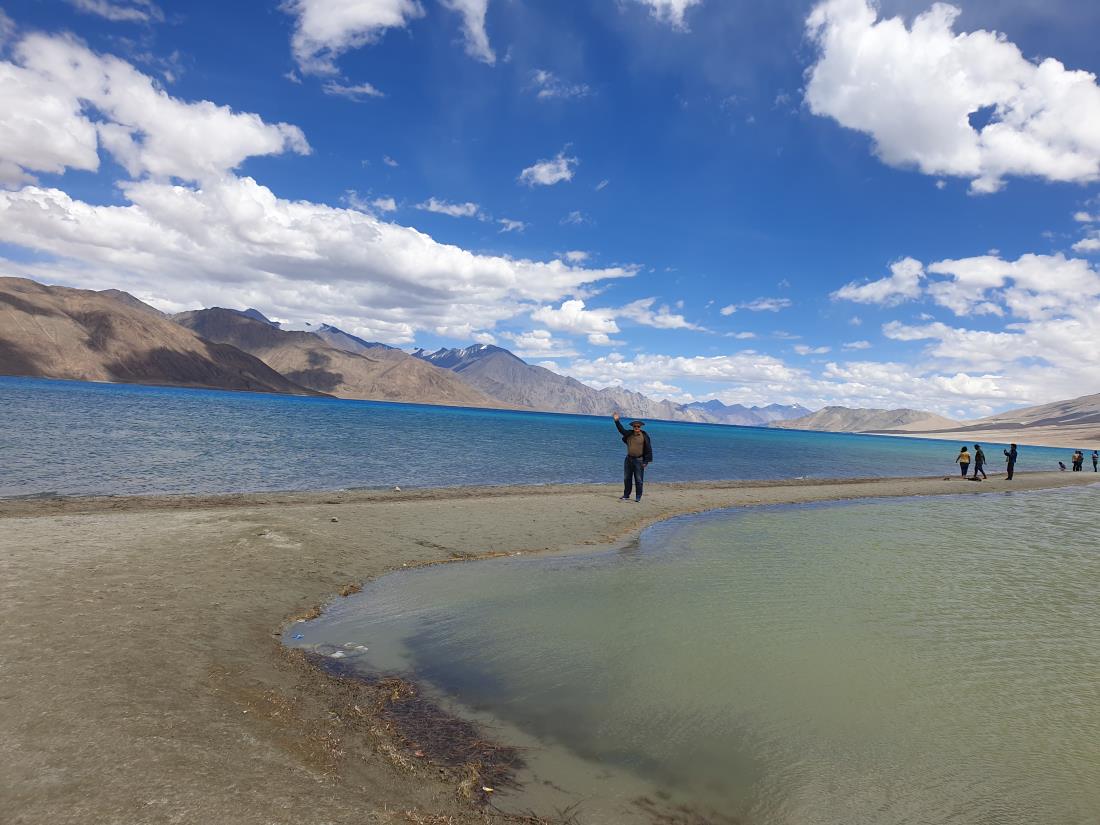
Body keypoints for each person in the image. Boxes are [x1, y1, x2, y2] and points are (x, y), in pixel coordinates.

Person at [613, 412, 652, 502]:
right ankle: (626, 495)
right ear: (633, 427)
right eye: (635, 426)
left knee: (639, 479)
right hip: (628, 459)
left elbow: (648, 449)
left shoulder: (644, 436)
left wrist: (646, 461)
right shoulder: (629, 434)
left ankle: (638, 496)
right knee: (627, 478)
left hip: (639, 460)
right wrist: (617, 421)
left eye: (638, 426)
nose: (636, 428)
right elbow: (621, 430)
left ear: (640, 427)